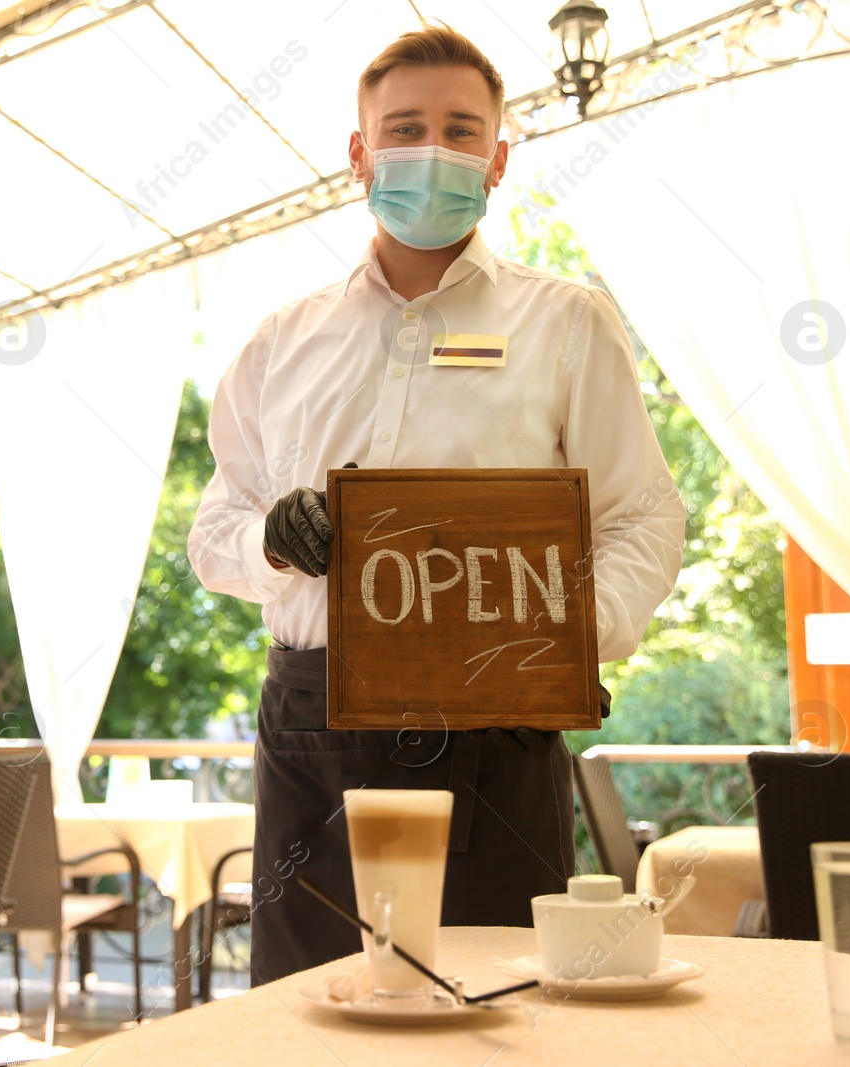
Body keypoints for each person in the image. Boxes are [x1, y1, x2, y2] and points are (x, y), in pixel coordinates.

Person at [187, 24, 685, 985]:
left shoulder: (568, 324)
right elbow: (214, 533)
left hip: (497, 728)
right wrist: (271, 545)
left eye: (461, 131)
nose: (434, 151)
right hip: (312, 728)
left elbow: (643, 518)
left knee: (491, 1010)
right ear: (358, 155)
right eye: (405, 128)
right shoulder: (278, 342)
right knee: (306, 1012)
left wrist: (578, 635)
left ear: (498, 159)